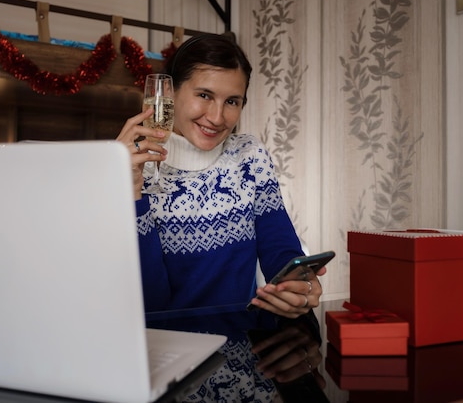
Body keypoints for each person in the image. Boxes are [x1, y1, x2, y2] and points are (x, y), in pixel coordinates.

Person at [116, 33, 326, 318]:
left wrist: (297, 286)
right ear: (170, 93)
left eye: (232, 102)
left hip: (241, 349)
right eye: (204, 95)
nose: (217, 117)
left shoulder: (249, 156)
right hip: (165, 352)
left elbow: (280, 249)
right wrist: (131, 191)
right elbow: (150, 305)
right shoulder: (129, 170)